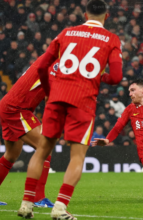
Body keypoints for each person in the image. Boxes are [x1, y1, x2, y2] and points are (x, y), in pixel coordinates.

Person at [17, 0, 123, 219]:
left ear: (85, 14)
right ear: (107, 16)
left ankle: (26, 204)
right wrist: (96, 76)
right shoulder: (111, 39)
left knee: (42, 150)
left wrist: (49, 91)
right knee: (77, 156)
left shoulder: (66, 33)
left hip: (57, 97)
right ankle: (59, 208)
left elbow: (42, 66)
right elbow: (116, 77)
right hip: (82, 101)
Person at [0, 54, 57, 208]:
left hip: (10, 105)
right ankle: (38, 198)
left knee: (11, 155)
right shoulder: (56, 64)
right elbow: (51, 95)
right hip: (17, 108)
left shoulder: (48, 59)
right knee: (45, 147)